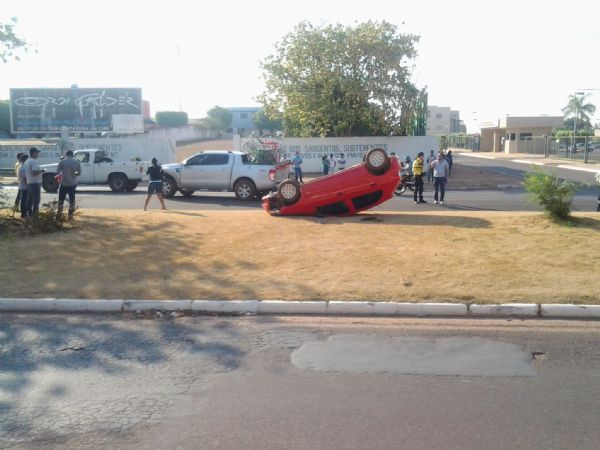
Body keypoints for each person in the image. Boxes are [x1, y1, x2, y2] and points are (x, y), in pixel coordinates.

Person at [56, 150, 81, 220]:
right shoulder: (76, 162)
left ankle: (59, 214)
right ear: (72, 155)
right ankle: (70, 215)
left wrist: (62, 174)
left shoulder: (62, 162)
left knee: (61, 199)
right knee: (72, 199)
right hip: (72, 183)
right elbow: (79, 173)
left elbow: (57, 172)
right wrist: (74, 174)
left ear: (66, 155)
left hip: (63, 183)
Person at [23, 147, 44, 216]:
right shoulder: (33, 161)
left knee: (30, 200)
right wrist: (41, 171)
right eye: (37, 153)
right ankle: (35, 214)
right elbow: (34, 172)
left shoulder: (27, 161)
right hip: (35, 183)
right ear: (33, 153)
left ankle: (29, 213)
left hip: (30, 182)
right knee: (36, 200)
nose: (38, 154)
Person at [17, 154, 30, 218]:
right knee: (24, 200)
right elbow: (25, 177)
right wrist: (29, 184)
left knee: (23, 199)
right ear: (26, 159)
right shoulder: (24, 167)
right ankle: (24, 213)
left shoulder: (20, 166)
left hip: (21, 185)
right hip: (25, 185)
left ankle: (23, 213)